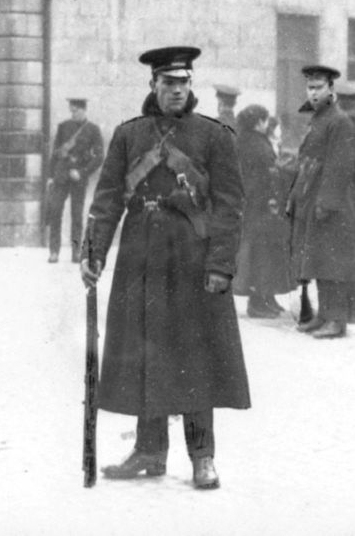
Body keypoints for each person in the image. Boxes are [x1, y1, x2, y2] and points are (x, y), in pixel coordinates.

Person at [81, 45, 249, 491]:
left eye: (184, 83)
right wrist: (95, 251)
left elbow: (229, 206)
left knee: (194, 357)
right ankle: (150, 451)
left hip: (192, 257)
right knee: (145, 352)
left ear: (191, 85)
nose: (177, 91)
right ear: (153, 85)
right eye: (168, 83)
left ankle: (202, 456)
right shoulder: (129, 135)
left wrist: (220, 264)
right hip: (139, 255)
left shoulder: (214, 136)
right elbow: (108, 198)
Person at [286, 63, 355, 339]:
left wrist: (326, 203)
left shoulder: (339, 121)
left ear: (331, 89)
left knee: (332, 261)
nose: (313, 93)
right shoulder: (319, 118)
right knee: (317, 259)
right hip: (313, 197)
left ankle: (336, 321)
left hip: (333, 204)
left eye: (318, 87)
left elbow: (341, 165)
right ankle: (324, 315)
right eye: (309, 87)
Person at [231, 104, 294, 318]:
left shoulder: (249, 141)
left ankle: (267, 297)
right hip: (261, 206)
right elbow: (265, 175)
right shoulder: (254, 144)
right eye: (265, 120)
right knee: (262, 256)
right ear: (258, 122)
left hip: (258, 206)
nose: (267, 124)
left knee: (268, 255)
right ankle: (257, 302)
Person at [45, 97, 104, 263]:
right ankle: (54, 252)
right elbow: (55, 154)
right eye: (72, 110)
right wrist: (50, 176)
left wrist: (83, 172)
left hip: (78, 178)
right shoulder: (63, 127)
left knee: (77, 216)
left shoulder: (93, 130)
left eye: (76, 110)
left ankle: (76, 252)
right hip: (61, 177)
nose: (73, 113)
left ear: (84, 110)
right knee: (55, 212)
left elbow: (99, 157)